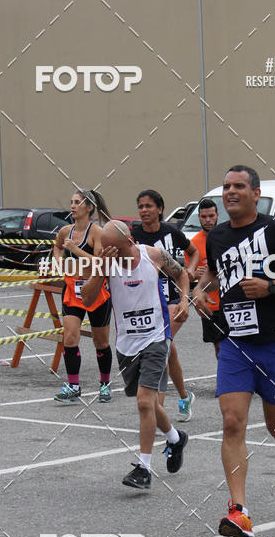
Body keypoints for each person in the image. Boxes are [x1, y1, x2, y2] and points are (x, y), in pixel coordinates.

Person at [192, 166, 275, 537]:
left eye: (238, 186)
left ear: (255, 192)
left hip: (274, 341)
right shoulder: (216, 235)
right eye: (226, 187)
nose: (230, 192)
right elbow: (214, 272)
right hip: (234, 342)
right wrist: (200, 290)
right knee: (232, 423)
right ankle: (239, 511)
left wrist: (272, 286)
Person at [78, 221, 189, 490]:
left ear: (129, 241)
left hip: (156, 338)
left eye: (113, 248)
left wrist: (184, 300)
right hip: (127, 343)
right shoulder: (107, 264)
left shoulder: (152, 256)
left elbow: (182, 274)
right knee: (151, 406)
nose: (109, 252)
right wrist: (100, 271)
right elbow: (87, 299)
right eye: (105, 249)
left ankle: (144, 468)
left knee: (143, 402)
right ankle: (175, 438)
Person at [132, 189, 199, 421]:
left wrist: (190, 269)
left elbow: (194, 252)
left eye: (149, 206)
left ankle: (155, 409)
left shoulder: (172, 233)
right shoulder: (133, 235)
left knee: (158, 346)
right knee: (168, 351)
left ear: (160, 209)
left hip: (171, 299)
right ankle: (184, 396)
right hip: (145, 301)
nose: (144, 210)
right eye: (140, 206)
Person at [52, 189, 114, 404]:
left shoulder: (96, 232)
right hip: (72, 290)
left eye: (78, 202)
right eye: (71, 201)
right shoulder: (65, 231)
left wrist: (76, 251)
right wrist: (58, 261)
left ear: (89, 208)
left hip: (96, 290)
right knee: (69, 337)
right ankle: (73, 385)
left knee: (101, 341)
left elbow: (99, 262)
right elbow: (57, 247)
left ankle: (105, 384)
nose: (73, 205)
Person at [187, 198, 227, 359]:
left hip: (229, 299)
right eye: (204, 217)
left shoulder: (226, 235)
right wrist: (195, 274)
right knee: (218, 347)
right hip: (210, 303)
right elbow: (189, 274)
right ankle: (225, 380)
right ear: (199, 217)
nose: (208, 220)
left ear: (217, 215)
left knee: (235, 344)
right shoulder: (193, 243)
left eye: (211, 216)